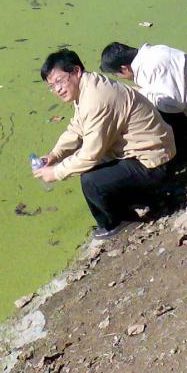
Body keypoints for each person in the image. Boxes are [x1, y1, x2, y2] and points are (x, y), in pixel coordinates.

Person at [33, 49, 176, 241]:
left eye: (59, 81)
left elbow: (89, 155)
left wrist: (56, 172)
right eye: (52, 86)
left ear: (76, 71)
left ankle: (121, 221)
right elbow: (77, 128)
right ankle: (111, 219)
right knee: (92, 169)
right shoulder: (87, 87)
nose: (57, 89)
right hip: (144, 153)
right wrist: (55, 154)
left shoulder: (96, 99)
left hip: (154, 163)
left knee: (91, 180)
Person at [100, 42, 187, 155]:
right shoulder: (151, 55)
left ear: (124, 68)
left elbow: (174, 105)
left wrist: (142, 93)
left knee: (143, 110)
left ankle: (179, 152)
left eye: (115, 74)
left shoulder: (154, 66)